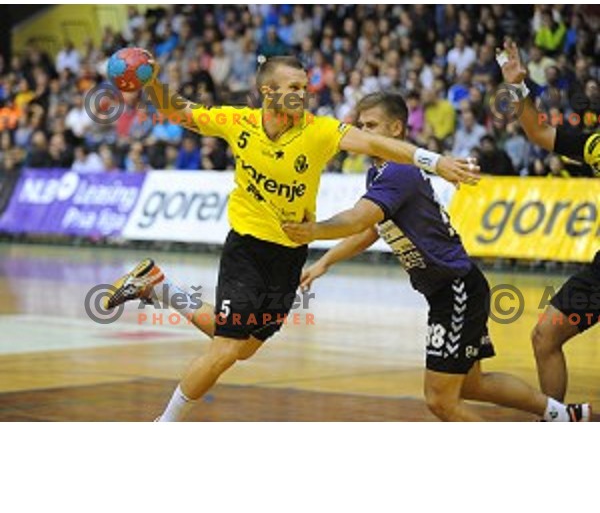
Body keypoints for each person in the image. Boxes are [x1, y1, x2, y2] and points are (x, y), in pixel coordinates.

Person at [105, 55, 480, 422]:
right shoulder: (238, 122)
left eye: (306, 86)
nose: (304, 94)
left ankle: (158, 286)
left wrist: (435, 161)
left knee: (244, 348)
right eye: (294, 87)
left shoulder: (320, 130)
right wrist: (152, 83)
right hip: (247, 248)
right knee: (227, 347)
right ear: (268, 91)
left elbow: (377, 146)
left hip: (289, 257)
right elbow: (180, 113)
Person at [281, 91, 590, 422]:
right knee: (471, 385)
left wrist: (314, 230)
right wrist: (325, 262)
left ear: (397, 128)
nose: (362, 133)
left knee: (440, 400)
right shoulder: (380, 172)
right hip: (457, 288)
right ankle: (564, 415)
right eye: (360, 125)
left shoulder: (398, 171)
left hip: (455, 290)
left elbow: (357, 218)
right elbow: (371, 229)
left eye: (371, 125)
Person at [497, 38, 600, 401]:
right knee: (545, 336)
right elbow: (538, 132)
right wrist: (518, 86)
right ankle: (556, 419)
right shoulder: (596, 144)